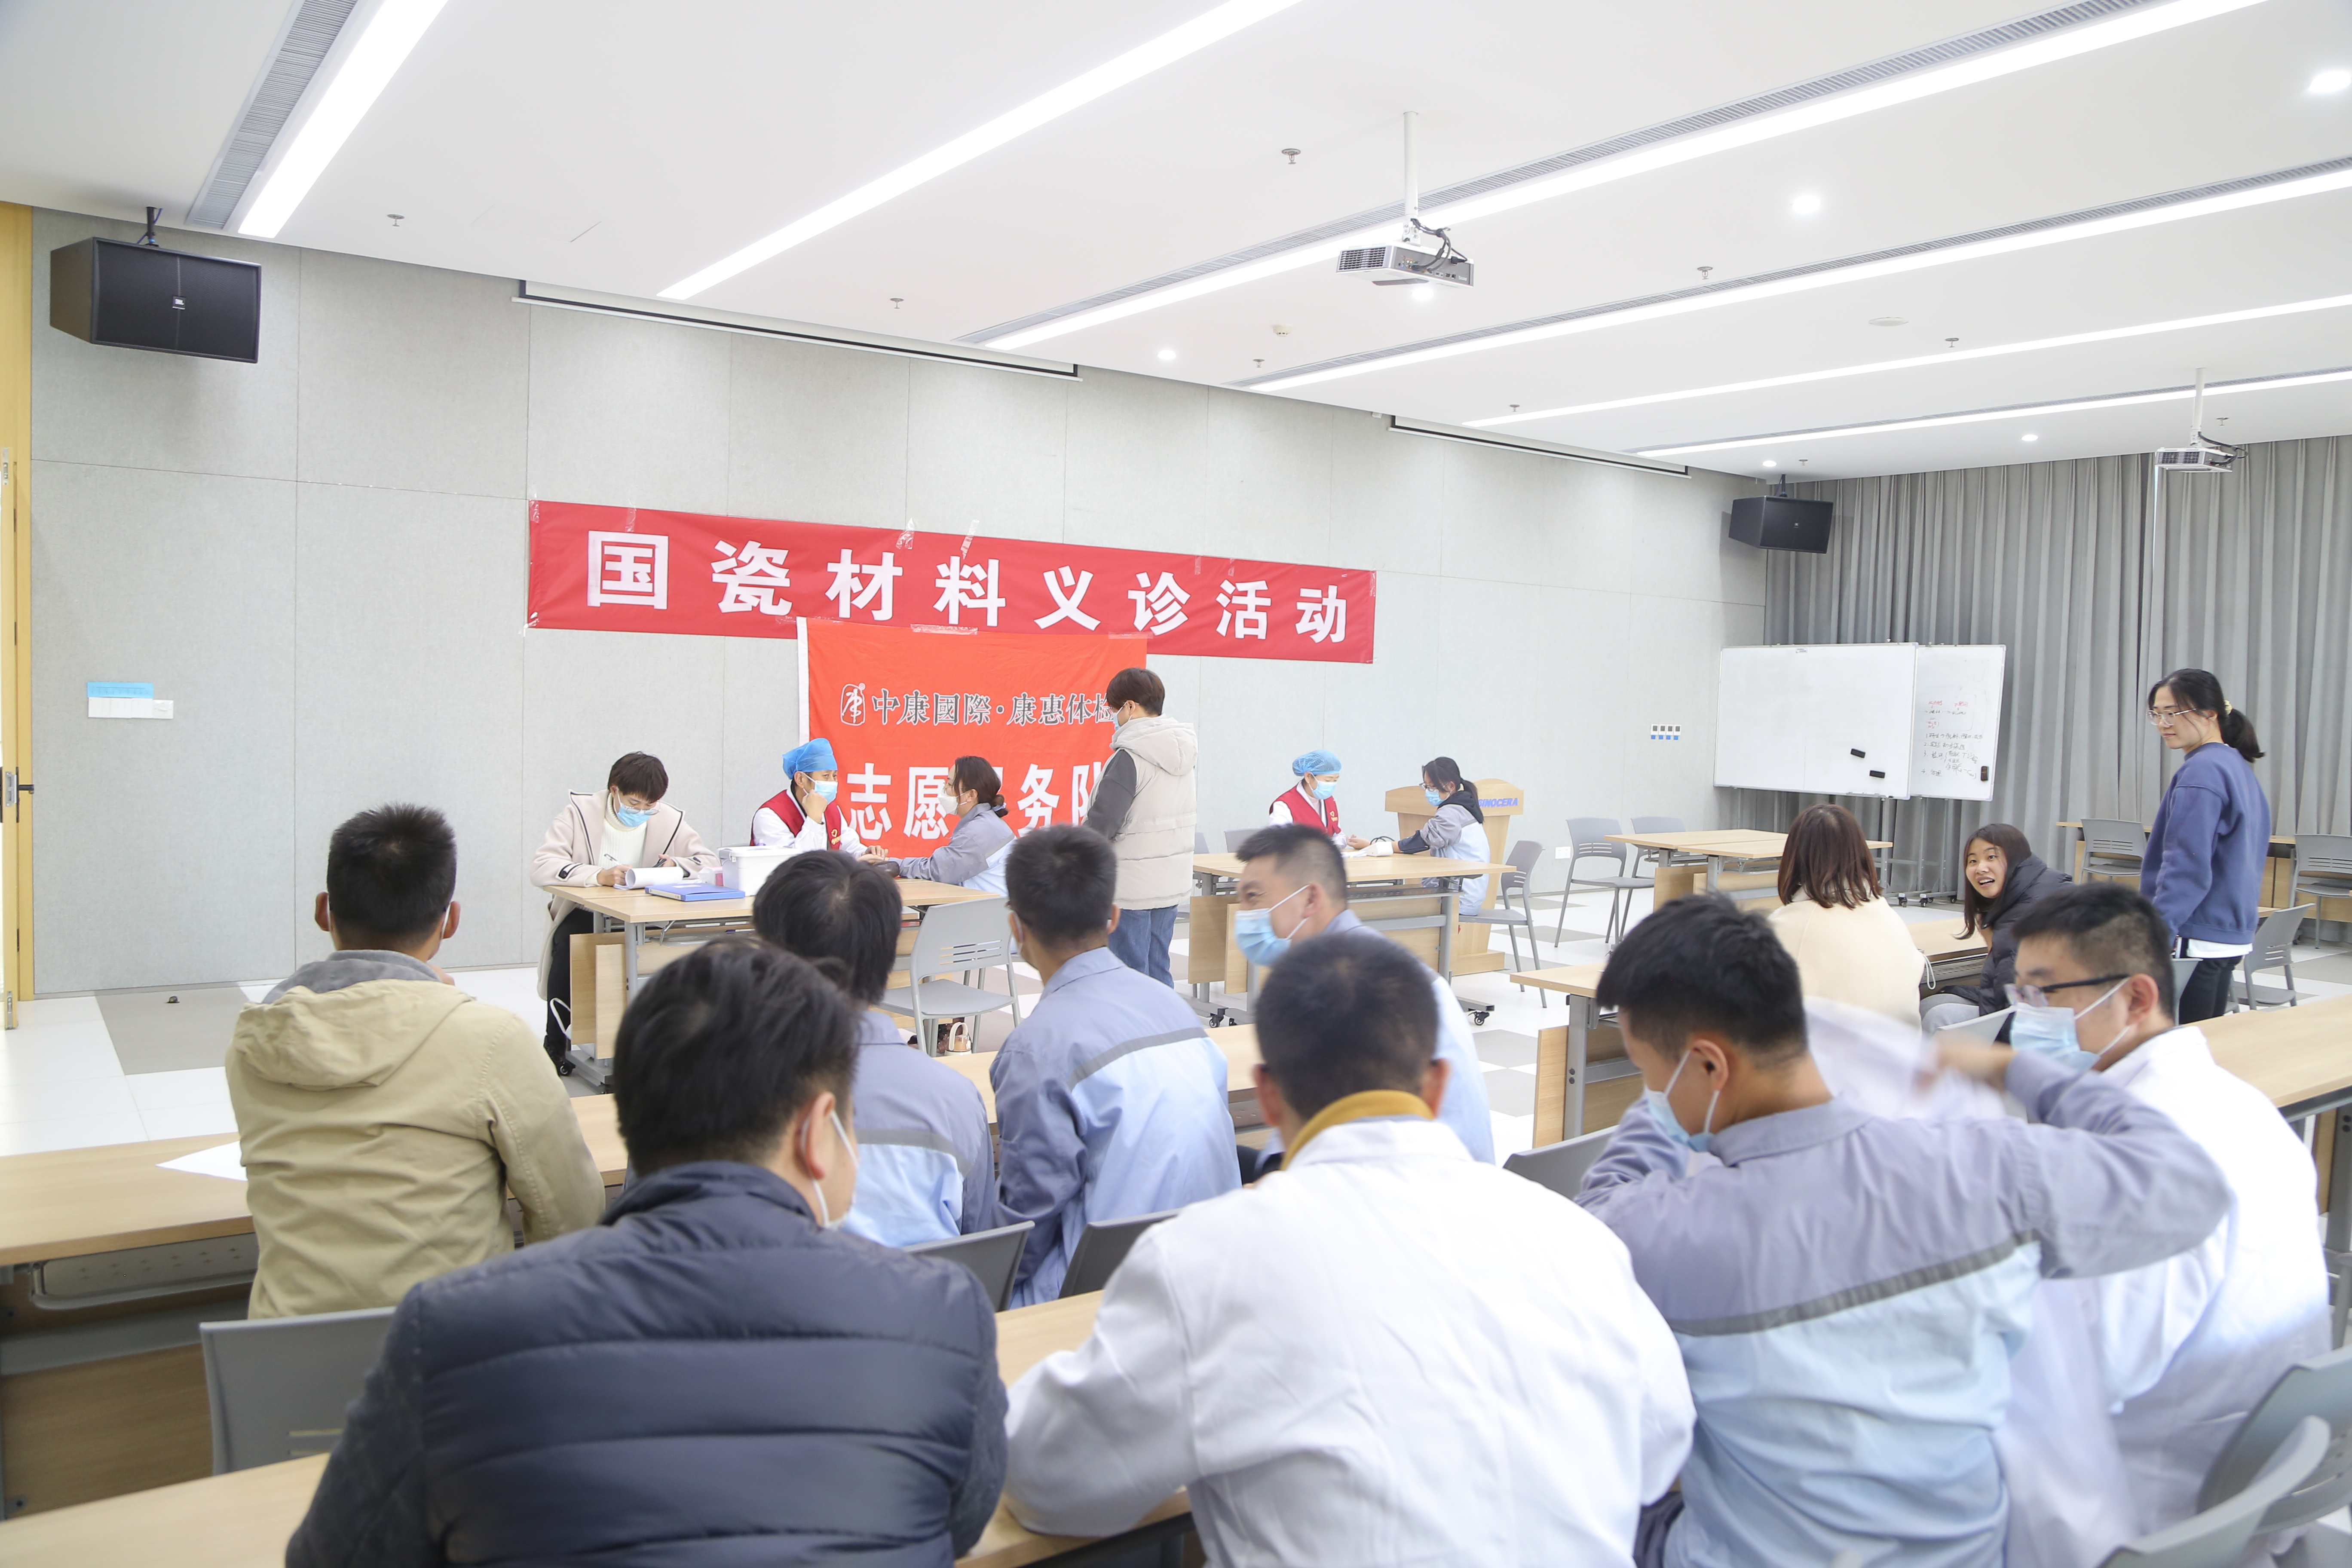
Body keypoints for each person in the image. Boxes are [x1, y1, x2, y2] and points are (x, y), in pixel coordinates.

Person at [287, 940, 1008, 1568]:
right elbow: (959, 1520)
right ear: (819, 1129)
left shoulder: (452, 1329)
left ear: (628, 1116)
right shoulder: (941, 1316)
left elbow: (335, 1555)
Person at [1574, 892, 2230, 1568]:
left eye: (1650, 1074)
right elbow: (2189, 1184)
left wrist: (1656, 1114)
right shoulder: (1988, 1169)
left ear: (1711, 1067)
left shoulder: (1668, 1231)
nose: (1655, 1094)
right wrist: (2021, 1070)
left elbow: (1591, 1227)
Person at [1004, 934, 1693, 1567]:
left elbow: (1050, 1479)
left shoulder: (1208, 1260)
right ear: (1439, 1084)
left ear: (1267, 1097)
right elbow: (1662, 1444)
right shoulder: (1576, 1236)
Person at [1996, 882, 2326, 1557]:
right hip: (2253, 1486)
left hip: (2157, 1512)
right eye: (2018, 996)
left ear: (2137, 999)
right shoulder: (2240, 1104)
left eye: (2044, 995)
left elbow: (2082, 1378)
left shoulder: (2131, 1162)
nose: (2025, 1019)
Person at [230, 804, 603, 1319]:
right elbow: (571, 1214)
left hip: (283, 1348)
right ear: (450, 921)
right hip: (452, 1344)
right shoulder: (489, 1038)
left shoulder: (254, 1040)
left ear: (324, 911)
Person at [991, 824, 1238, 1305]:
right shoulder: (1175, 1009)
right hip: (1213, 1269)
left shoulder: (1035, 1050)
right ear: (1114, 918)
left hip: (1106, 1293)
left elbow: (1027, 1222)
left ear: (1017, 929)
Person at [754, 850, 997, 1246]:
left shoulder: (721, 1092)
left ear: (768, 955)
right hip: (928, 1285)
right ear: (887, 956)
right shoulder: (955, 1100)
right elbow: (981, 1243)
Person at [1231, 823, 1493, 1165]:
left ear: (1310, 899)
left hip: (1408, 1181)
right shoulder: (1382, 968)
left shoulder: (1339, 992)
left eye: (1254, 898)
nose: (1245, 915)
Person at [530, 751, 717, 1070]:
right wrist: (597, 876)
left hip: (646, 914)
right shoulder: (580, 813)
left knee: (671, 953)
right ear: (614, 790)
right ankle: (555, 1043)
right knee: (570, 947)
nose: (642, 812)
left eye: (650, 806)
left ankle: (657, 1043)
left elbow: (707, 862)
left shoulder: (669, 818)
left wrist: (677, 865)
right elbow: (542, 866)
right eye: (634, 804)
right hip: (586, 911)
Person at [2141, 668, 2271, 1023]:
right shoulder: (2235, 765)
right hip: (2227, 934)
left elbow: (2186, 864)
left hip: (2194, 933)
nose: (2163, 724)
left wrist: (2158, 932)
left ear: (2210, 714)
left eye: (2173, 713)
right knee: (2205, 1042)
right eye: (2157, 714)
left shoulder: (2202, 771)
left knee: (2181, 1044)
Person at [1081, 667, 1196, 986]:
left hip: (1132, 886)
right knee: (1158, 968)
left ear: (1130, 707)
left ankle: (1135, 1020)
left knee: (1129, 975)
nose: (1113, 716)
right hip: (1169, 880)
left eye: (1114, 709)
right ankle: (1165, 1020)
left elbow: (1104, 822)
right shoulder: (1183, 752)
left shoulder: (1130, 756)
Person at [1763, 802, 1925, 1028]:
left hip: (1831, 1050)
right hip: (1902, 1049)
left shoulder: (1788, 925)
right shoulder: (1886, 913)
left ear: (1794, 856)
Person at [1921, 824, 2070, 1032]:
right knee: (1930, 1004)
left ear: (2016, 858)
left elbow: (2015, 996)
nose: (1981, 868)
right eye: (1973, 861)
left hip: (2044, 1024)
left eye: (1991, 857)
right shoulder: (2034, 889)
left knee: (1939, 1017)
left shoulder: (2031, 911)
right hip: (2031, 1008)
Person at [868, 754, 1014, 893]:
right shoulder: (988, 822)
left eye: (950, 784)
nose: (945, 789)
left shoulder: (979, 831)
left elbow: (937, 870)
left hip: (987, 909)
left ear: (971, 795)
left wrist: (894, 865)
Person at [1396, 756, 1487, 913]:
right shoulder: (1463, 806)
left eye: (1433, 787)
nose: (1428, 791)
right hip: (1464, 894)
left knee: (1395, 908)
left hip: (1458, 898)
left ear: (1451, 786)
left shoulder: (1452, 812)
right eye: (1426, 786)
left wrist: (1379, 847)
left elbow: (1423, 841)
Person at [753, 736, 867, 856]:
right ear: (801, 779)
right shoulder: (770, 816)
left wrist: (863, 854)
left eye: (834, 776)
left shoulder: (831, 808)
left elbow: (848, 844)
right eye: (826, 776)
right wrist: (814, 820)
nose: (832, 782)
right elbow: (796, 862)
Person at [1265, 748, 1368, 850]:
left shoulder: (1329, 800)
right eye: (1328, 780)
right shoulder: (1285, 805)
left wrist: (1346, 841)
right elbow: (1278, 842)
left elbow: (1335, 835)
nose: (1331, 785)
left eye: (1335, 780)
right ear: (1309, 777)